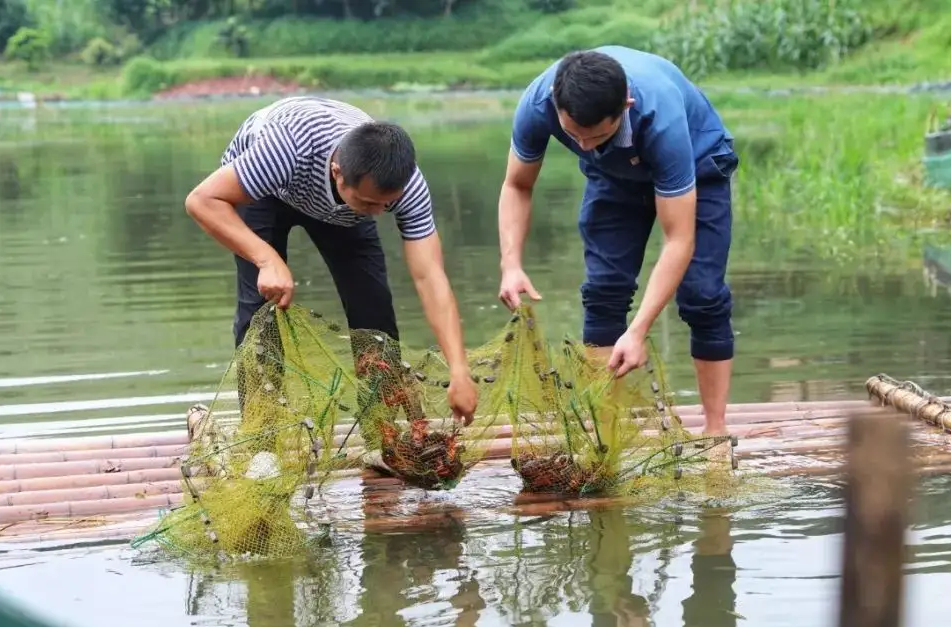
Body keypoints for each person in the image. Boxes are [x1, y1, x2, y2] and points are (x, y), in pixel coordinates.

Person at [184, 95, 478, 426]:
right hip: (265, 191)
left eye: (386, 205)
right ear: (337, 172)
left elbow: (430, 276)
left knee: (374, 314)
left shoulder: (405, 187)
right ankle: (262, 441)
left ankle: (381, 436)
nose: (380, 213)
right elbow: (202, 200)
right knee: (261, 314)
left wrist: (459, 369)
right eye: (370, 204)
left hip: (339, 208)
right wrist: (266, 259)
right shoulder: (283, 149)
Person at [497, 46, 739, 436]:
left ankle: (715, 430)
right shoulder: (538, 102)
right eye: (575, 136)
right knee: (603, 292)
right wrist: (511, 263)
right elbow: (517, 184)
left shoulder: (660, 118)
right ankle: (605, 437)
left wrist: (639, 330)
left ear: (625, 105)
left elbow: (678, 240)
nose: (586, 146)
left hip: (698, 164)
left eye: (598, 135)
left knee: (702, 295)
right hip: (613, 178)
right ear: (557, 104)